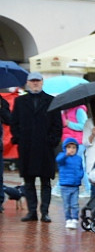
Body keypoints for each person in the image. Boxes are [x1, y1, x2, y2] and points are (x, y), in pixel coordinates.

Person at [10, 72, 62, 222]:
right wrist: (19, 139)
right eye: (32, 81)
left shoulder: (52, 101)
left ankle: (44, 212)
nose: (35, 84)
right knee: (29, 181)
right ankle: (32, 211)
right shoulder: (20, 101)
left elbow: (57, 125)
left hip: (45, 148)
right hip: (27, 147)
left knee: (46, 181)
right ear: (27, 82)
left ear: (42, 82)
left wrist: (52, 140)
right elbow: (14, 123)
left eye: (37, 81)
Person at [55, 136, 85, 229]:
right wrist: (65, 155)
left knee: (75, 204)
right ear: (65, 148)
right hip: (65, 185)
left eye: (73, 147)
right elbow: (58, 160)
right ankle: (68, 219)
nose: (71, 150)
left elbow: (81, 169)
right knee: (67, 204)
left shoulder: (78, 158)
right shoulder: (62, 156)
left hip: (75, 186)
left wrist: (80, 176)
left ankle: (75, 218)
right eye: (69, 147)